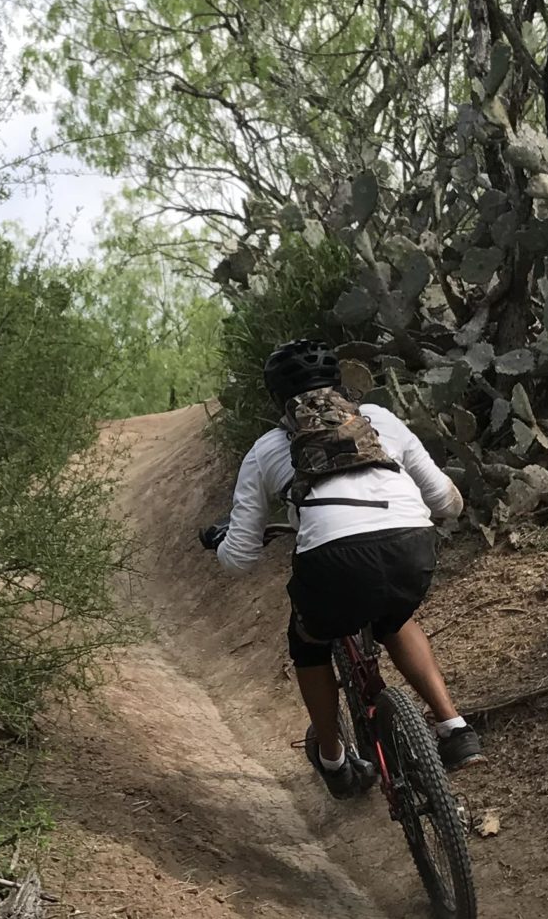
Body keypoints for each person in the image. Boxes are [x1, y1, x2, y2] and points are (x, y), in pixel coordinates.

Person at [201, 339, 484, 797]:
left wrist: (219, 543)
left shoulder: (266, 449)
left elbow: (241, 556)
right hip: (412, 545)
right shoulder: (381, 420)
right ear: (340, 383)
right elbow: (447, 503)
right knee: (394, 616)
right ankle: (455, 729)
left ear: (276, 397)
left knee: (309, 640)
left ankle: (334, 761)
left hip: (333, 562)